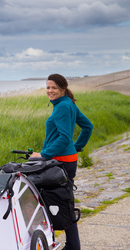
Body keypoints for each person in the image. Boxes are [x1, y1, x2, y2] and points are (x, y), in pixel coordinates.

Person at [31, 73, 93, 250]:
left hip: (61, 161)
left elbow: (65, 137)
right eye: (48, 87)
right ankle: (71, 245)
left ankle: (67, 245)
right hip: (67, 159)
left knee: (57, 202)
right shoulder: (67, 104)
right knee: (64, 202)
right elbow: (88, 126)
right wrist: (77, 147)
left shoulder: (64, 107)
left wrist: (44, 154)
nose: (50, 91)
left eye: (54, 88)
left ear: (63, 89)